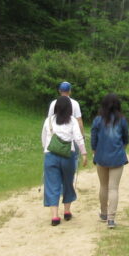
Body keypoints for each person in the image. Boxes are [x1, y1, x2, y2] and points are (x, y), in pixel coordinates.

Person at [42, 96, 87, 226]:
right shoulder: (72, 121)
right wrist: (84, 153)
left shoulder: (49, 120)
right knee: (67, 182)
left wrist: (45, 149)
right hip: (68, 155)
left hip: (50, 155)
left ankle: (54, 216)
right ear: (69, 108)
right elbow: (78, 138)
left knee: (52, 185)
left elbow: (44, 138)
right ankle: (67, 211)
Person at [90, 93, 129, 229]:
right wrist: (121, 149)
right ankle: (111, 219)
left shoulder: (97, 120)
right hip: (117, 157)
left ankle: (103, 213)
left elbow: (93, 139)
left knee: (103, 186)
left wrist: (95, 151)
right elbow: (126, 139)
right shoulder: (122, 120)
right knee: (113, 188)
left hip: (101, 156)